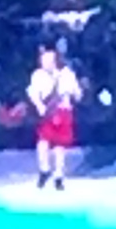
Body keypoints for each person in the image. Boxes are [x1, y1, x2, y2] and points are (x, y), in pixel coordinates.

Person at [26, 43, 81, 190]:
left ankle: (58, 176)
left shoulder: (67, 74)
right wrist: (40, 107)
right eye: (43, 60)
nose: (46, 63)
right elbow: (33, 93)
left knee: (60, 146)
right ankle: (44, 169)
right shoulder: (37, 75)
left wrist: (75, 93)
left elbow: (77, 93)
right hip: (47, 113)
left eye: (49, 60)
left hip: (63, 112)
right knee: (43, 142)